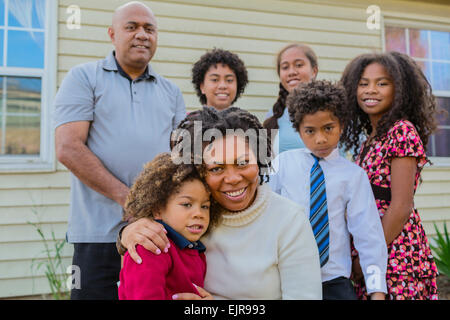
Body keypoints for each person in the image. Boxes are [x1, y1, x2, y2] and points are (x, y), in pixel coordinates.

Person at [53, 1, 186, 300]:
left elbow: (182, 158)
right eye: (132, 27)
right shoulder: (83, 77)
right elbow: (68, 148)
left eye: (149, 29)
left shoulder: (171, 92)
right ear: (112, 34)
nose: (142, 34)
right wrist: (129, 200)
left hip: (157, 233)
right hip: (97, 235)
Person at [118, 107, 323, 300]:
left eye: (243, 163)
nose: (233, 178)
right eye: (216, 168)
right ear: (196, 169)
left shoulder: (289, 220)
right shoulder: (184, 218)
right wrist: (128, 233)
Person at [269, 80, 387, 300]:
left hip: (334, 280)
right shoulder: (282, 164)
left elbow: (368, 235)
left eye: (328, 128)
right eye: (310, 131)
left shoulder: (353, 176)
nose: (320, 138)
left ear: (341, 125)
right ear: (298, 130)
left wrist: (376, 290)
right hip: (287, 277)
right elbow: (265, 216)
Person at [340, 51, 440, 300]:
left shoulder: (401, 131)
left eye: (382, 83)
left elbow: (401, 207)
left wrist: (368, 255)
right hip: (373, 248)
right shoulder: (369, 141)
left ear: (400, 90)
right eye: (363, 83)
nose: (370, 90)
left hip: (395, 250)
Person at [118, 153, 222, 300]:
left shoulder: (196, 251)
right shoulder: (150, 247)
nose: (199, 213)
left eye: (205, 206)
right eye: (187, 204)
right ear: (158, 209)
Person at [263, 43, 318, 154]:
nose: (292, 72)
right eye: (285, 67)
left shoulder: (332, 110)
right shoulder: (273, 116)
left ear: (314, 71)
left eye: (299, 65)